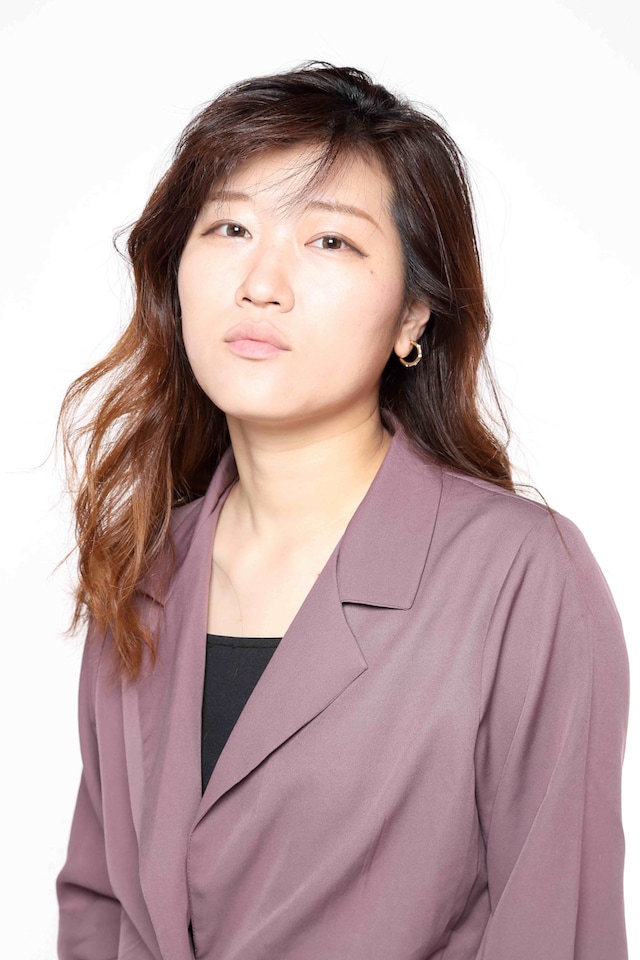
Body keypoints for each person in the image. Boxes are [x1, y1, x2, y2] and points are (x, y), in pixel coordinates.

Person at [56, 63, 629, 960]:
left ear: (412, 317)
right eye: (231, 228)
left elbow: (559, 929)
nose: (262, 283)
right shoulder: (143, 569)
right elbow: (100, 908)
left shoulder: (518, 575)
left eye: (329, 241)